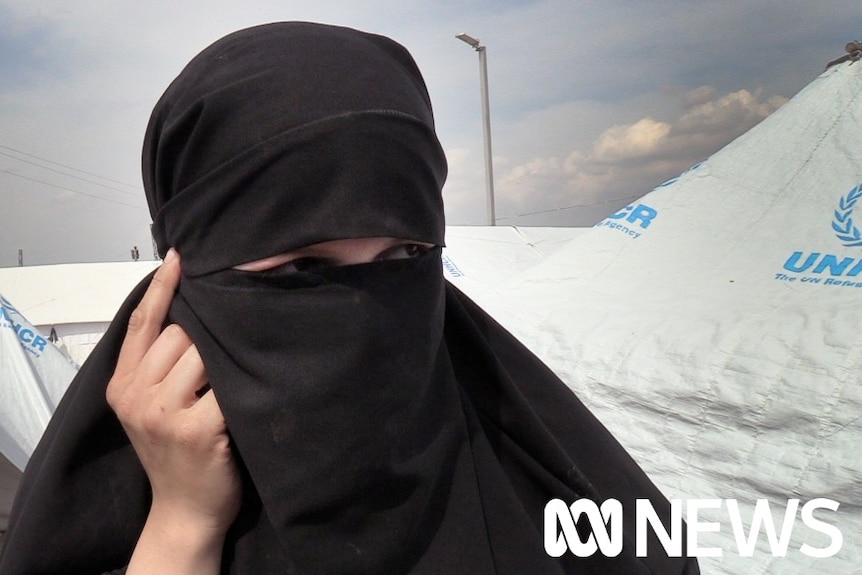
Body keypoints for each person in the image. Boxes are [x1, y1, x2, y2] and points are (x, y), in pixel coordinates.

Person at [0, 22, 698, 574]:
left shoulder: (528, 470)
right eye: (303, 265)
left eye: (406, 254)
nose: (368, 313)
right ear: (185, 275)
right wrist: (182, 521)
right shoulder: (107, 513)